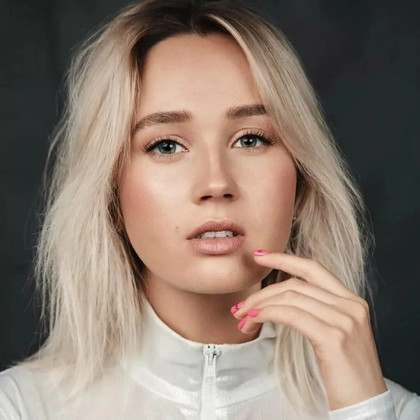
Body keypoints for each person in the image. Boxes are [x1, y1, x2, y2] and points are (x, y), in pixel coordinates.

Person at [1, 0, 419, 419]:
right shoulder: (21, 406)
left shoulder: (394, 410)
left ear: (301, 177)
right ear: (110, 188)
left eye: (250, 140)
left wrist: (365, 409)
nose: (217, 183)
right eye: (167, 145)